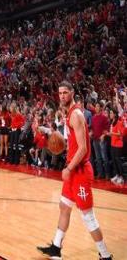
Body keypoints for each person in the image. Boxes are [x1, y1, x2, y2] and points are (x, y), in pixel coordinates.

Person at [37, 81, 112, 260]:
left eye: (65, 92)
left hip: (79, 171)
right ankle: (56, 247)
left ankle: (105, 255)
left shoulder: (76, 115)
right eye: (60, 93)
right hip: (73, 169)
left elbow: (83, 148)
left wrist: (69, 168)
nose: (62, 96)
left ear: (72, 93)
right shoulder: (69, 113)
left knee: (88, 216)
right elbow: (72, 142)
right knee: (64, 206)